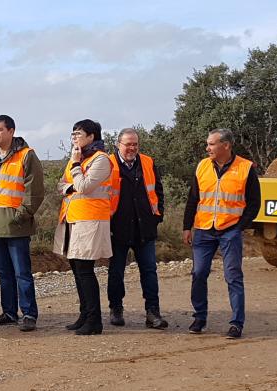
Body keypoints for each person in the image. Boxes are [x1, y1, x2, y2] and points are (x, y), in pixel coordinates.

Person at [182, 128, 261, 339]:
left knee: (233, 276)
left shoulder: (245, 168)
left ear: (225, 145)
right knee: (198, 273)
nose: (207, 148)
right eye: (207, 144)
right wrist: (186, 226)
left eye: (211, 144)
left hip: (230, 231)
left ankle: (236, 323)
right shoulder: (202, 166)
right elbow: (193, 199)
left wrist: (239, 227)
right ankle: (199, 317)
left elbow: (254, 204)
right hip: (204, 230)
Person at [0, 115, 45, 332]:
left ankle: (28, 314)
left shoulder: (26, 155)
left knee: (21, 272)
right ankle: (8, 312)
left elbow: (34, 191)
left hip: (16, 225)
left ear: (11, 131)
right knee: (4, 273)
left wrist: (21, 216)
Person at [54, 119, 113, 336]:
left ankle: (94, 320)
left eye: (78, 133)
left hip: (91, 221)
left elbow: (85, 187)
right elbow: (61, 185)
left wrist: (76, 166)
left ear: (92, 137)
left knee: (86, 271)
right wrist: (72, 182)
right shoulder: (77, 159)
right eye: (73, 134)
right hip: (72, 220)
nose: (74, 137)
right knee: (77, 270)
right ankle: (84, 315)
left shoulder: (101, 160)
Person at [106, 128, 168, 330]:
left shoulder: (148, 162)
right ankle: (116, 309)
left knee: (149, 271)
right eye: (128, 144)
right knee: (116, 272)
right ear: (118, 144)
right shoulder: (107, 163)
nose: (132, 148)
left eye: (135, 144)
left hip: (144, 227)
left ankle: (153, 313)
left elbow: (158, 190)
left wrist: (158, 216)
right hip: (117, 228)